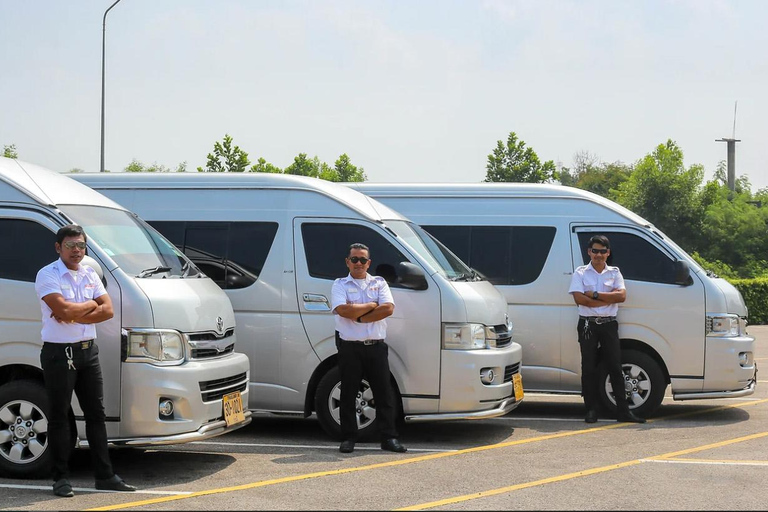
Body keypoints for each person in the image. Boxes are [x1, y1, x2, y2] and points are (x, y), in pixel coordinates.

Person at [34, 225, 136, 497]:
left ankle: (105, 476)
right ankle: (61, 479)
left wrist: (75, 312)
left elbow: (108, 310)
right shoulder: (47, 274)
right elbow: (63, 309)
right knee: (59, 417)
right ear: (58, 247)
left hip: (88, 352)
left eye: (81, 246)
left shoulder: (90, 272)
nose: (77, 251)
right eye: (70, 245)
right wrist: (87, 306)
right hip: (59, 353)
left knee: (96, 416)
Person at [331, 243, 407, 454]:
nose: (358, 263)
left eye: (363, 260)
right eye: (354, 259)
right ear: (347, 261)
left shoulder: (379, 283)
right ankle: (348, 438)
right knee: (348, 394)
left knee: (384, 393)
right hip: (350, 348)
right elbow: (342, 309)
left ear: (369, 263)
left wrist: (360, 317)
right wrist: (372, 307)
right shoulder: (339, 284)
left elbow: (388, 309)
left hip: (376, 347)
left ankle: (389, 438)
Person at [568, 235, 646, 425]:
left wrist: (594, 295)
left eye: (603, 251)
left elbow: (621, 297)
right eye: (595, 251)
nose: (599, 255)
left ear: (608, 253)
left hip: (609, 323)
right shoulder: (580, 273)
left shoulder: (614, 273)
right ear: (589, 252)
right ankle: (591, 410)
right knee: (589, 367)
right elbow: (580, 299)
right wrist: (607, 298)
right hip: (588, 324)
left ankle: (623, 411)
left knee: (615, 366)